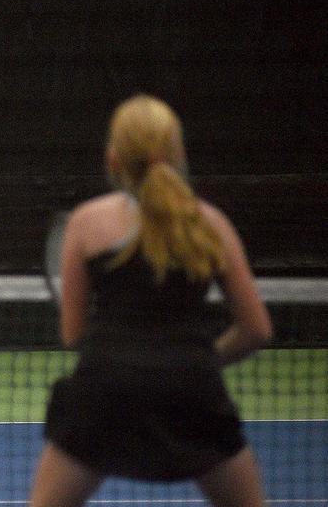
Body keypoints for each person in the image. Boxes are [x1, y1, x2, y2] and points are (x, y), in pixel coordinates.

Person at [29, 94, 274, 506]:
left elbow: (73, 335)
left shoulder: (86, 223)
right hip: (193, 391)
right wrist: (199, 359)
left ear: (113, 159)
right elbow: (256, 330)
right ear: (178, 155)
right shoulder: (211, 224)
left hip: (105, 391)